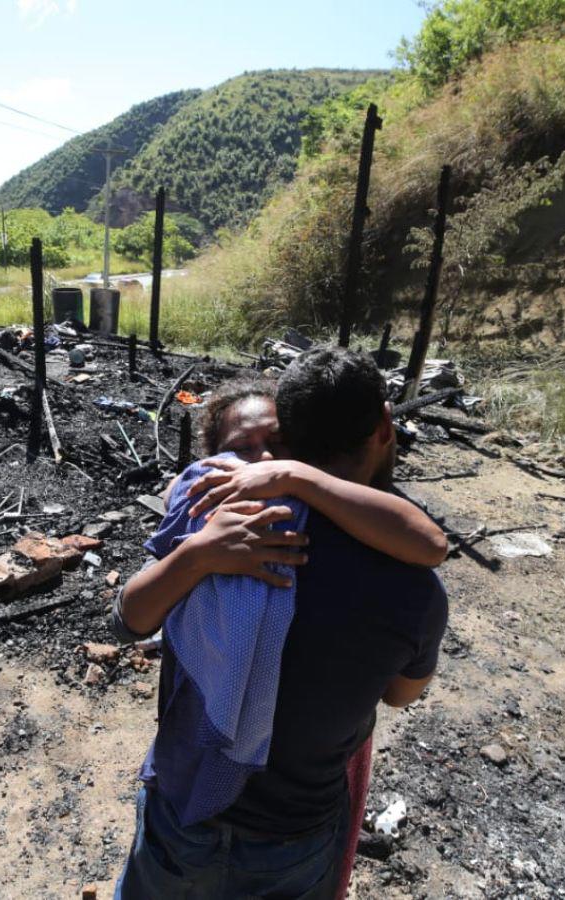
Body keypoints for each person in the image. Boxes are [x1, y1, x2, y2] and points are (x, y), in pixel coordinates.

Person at [112, 351, 449, 899]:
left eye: (277, 448)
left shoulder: (374, 545)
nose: (259, 463)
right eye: (239, 452)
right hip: (278, 827)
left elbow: (431, 541)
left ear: (303, 448)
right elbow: (401, 695)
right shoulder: (208, 520)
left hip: (195, 813)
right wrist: (198, 554)